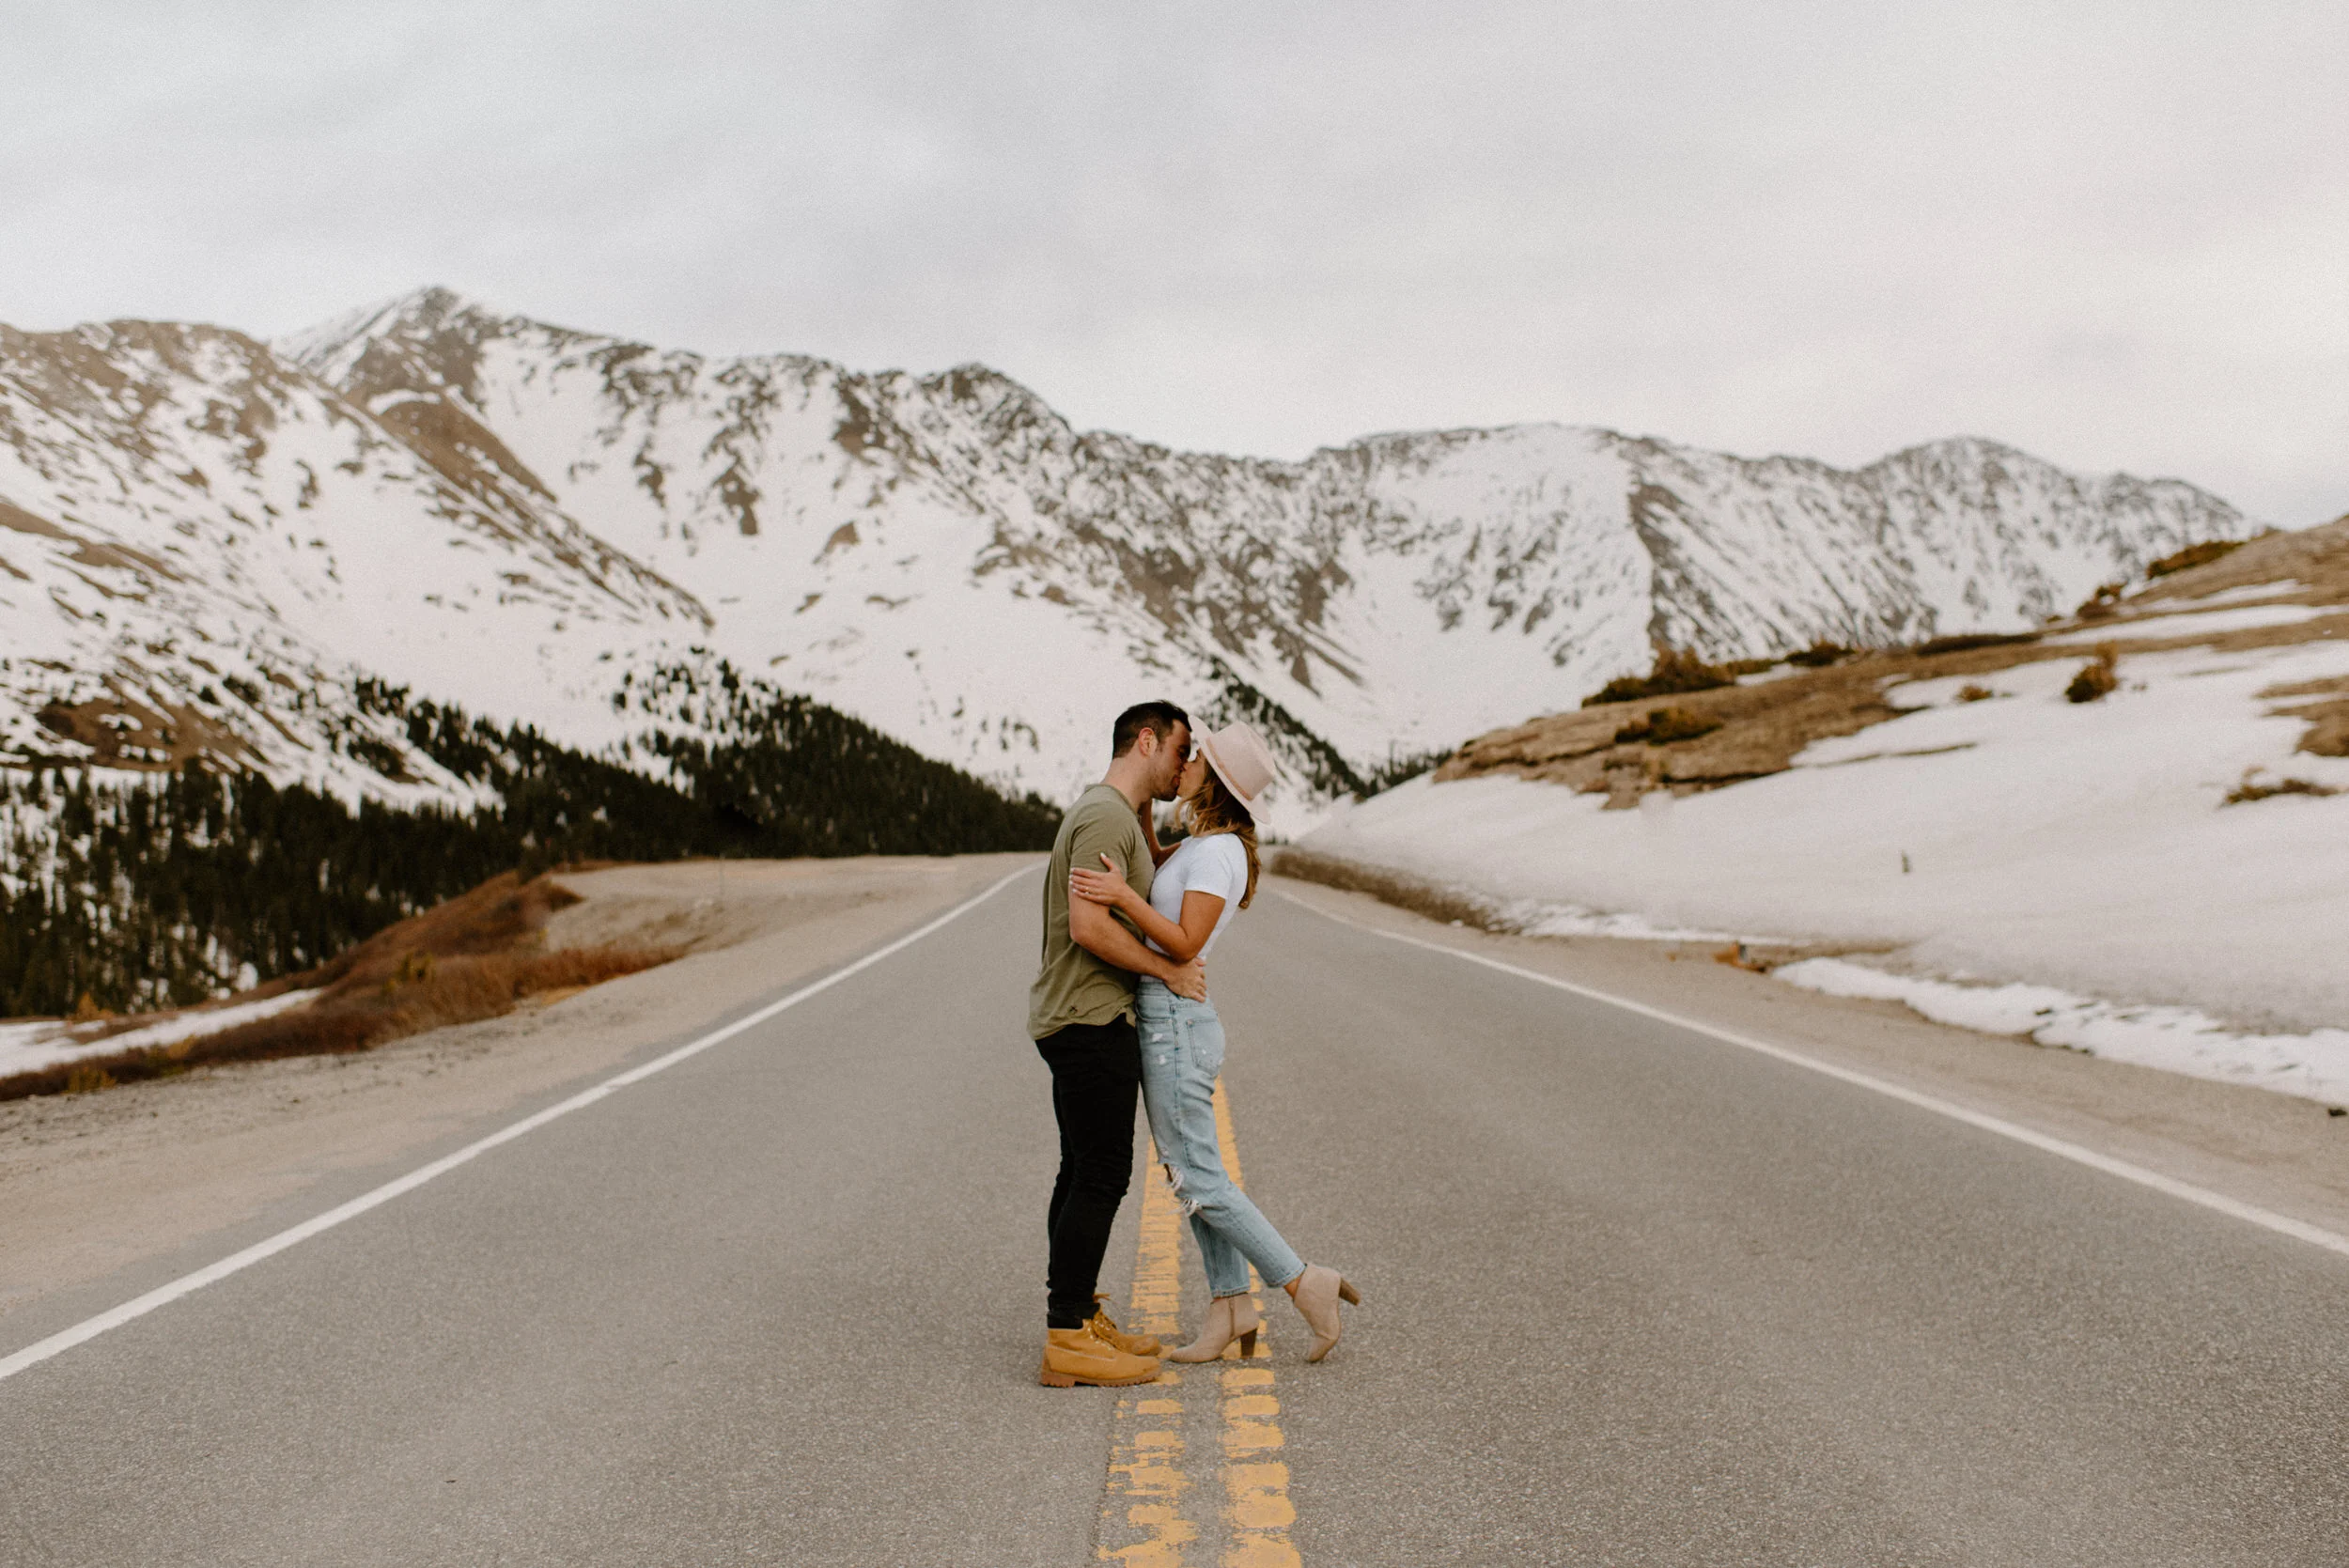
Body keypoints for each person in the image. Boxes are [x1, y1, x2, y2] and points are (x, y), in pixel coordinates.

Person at [1069, 721, 1361, 1364]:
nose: (1189, 762)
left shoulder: (1221, 853)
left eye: (1197, 757)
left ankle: (1300, 1278)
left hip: (1174, 1022)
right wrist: (1141, 796)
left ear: (1218, 780)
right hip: (1169, 1017)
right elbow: (1154, 863)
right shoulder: (1203, 843)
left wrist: (1118, 894)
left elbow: (1184, 942)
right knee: (1191, 1170)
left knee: (1196, 1170)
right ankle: (1230, 1304)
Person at [1029, 701, 1209, 1389]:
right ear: (1146, 739)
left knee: (1080, 1169)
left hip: (1079, 1015)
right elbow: (1086, 925)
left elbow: (1142, 872)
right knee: (1102, 1173)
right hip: (1091, 1017)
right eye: (1179, 749)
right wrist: (1168, 968)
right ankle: (1068, 1335)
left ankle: (1073, 1316)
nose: (1183, 765)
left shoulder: (1113, 812)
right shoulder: (1104, 815)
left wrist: (1163, 826)